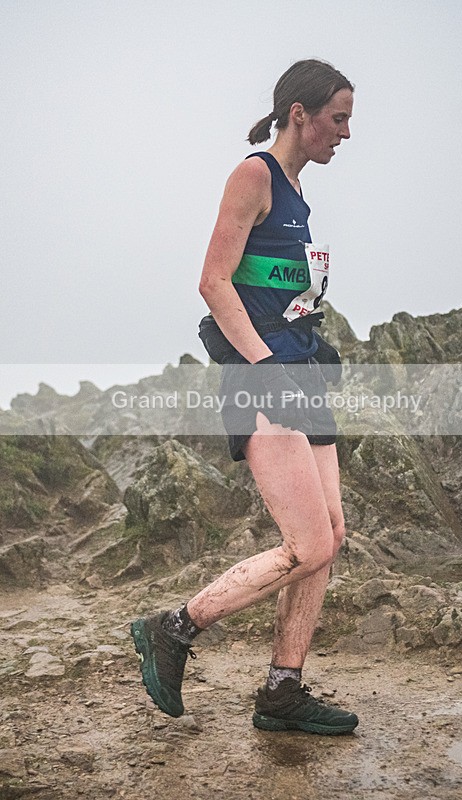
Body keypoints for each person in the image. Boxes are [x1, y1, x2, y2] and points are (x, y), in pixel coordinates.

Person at [131, 59, 358, 735]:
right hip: (264, 376)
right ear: (299, 114)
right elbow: (213, 281)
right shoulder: (254, 174)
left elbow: (275, 287)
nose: (345, 133)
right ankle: (174, 627)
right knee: (306, 543)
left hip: (303, 369)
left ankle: (283, 690)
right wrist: (264, 364)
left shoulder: (297, 191)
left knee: (330, 535)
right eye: (338, 118)